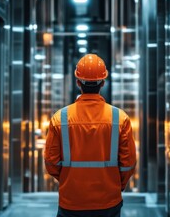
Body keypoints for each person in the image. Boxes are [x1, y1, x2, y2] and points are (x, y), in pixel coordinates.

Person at [44, 54, 136, 217]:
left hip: (71, 201)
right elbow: (128, 163)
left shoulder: (60, 118)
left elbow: (51, 162)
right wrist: (115, 185)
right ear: (103, 82)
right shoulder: (120, 118)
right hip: (108, 201)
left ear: (78, 82)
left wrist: (68, 179)